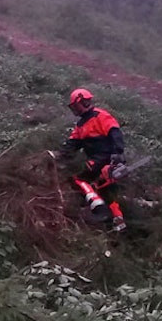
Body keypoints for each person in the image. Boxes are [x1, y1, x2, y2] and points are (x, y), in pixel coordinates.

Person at [55, 87, 128, 231]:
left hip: (104, 157)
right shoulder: (80, 125)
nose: (75, 109)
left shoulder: (100, 116)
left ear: (84, 102)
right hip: (98, 159)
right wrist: (60, 154)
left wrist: (118, 153)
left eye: (76, 106)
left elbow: (115, 133)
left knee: (78, 179)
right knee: (106, 188)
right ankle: (118, 221)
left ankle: (100, 209)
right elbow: (73, 143)